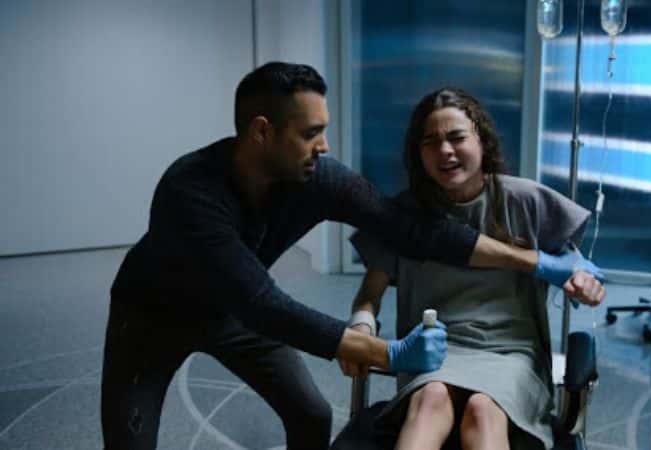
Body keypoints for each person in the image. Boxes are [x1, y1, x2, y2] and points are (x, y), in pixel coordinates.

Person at [100, 62, 598, 450]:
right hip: (154, 320)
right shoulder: (190, 192)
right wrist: (384, 351)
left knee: (312, 415)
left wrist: (540, 263)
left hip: (236, 313)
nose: (324, 145)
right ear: (262, 132)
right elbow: (263, 304)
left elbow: (410, 229)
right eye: (310, 132)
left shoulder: (318, 177)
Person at [339, 87, 605, 450]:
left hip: (511, 354)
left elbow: (575, 267)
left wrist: (585, 282)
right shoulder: (404, 216)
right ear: (418, 153)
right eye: (430, 141)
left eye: (457, 137)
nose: (445, 150)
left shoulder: (524, 201)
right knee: (431, 398)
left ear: (482, 140)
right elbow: (369, 294)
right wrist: (361, 326)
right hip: (432, 351)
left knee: (483, 409)